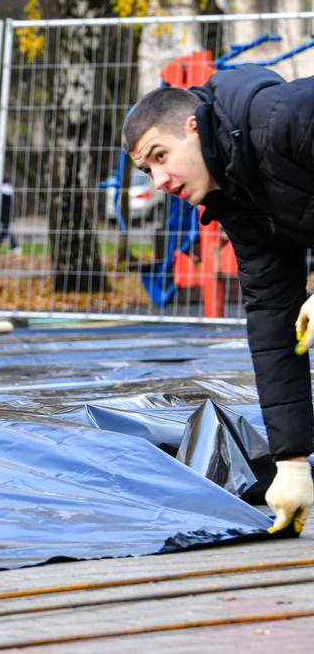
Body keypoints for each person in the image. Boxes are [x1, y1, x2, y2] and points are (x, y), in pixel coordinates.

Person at [121, 66, 314, 533]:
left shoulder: (288, 117)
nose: (160, 179)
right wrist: (292, 462)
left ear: (194, 126)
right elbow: (274, 324)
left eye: (161, 156)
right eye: (149, 171)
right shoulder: (238, 201)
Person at [0, 180, 20, 254]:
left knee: (6, 230)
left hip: (5, 214)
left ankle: (15, 246)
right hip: (7, 214)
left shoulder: (5, 189)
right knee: (4, 230)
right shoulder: (8, 190)